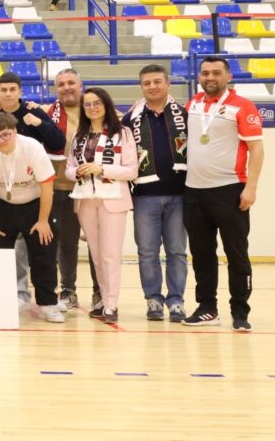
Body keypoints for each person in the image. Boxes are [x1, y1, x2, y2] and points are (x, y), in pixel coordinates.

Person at [182, 57, 264, 331]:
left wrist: (251, 187)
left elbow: (256, 149)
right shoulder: (193, 103)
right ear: (199, 77)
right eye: (205, 73)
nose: (210, 77)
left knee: (236, 254)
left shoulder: (243, 106)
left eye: (216, 73)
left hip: (229, 191)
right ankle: (207, 309)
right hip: (194, 192)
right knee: (202, 255)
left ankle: (240, 312)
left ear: (228, 76)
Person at [0, 112, 63, 323]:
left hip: (35, 204)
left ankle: (47, 303)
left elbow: (47, 187)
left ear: (15, 131)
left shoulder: (32, 148)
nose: (1, 140)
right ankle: (0, 301)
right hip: (2, 205)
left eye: (5, 135)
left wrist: (43, 221)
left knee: (43, 254)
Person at [122, 65, 189, 322]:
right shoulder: (131, 119)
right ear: (141, 87)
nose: (152, 86)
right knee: (147, 252)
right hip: (144, 196)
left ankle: (176, 301)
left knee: (177, 252)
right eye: (146, 83)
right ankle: (153, 299)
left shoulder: (184, 114)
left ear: (167, 83)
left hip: (179, 195)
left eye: (157, 81)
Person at [64, 87, 137, 324]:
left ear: (106, 105)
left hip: (113, 200)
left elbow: (131, 170)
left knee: (110, 255)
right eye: (87, 104)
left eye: (97, 103)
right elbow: (68, 169)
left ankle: (112, 304)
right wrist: (78, 172)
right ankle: (103, 301)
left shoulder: (122, 133)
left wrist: (102, 169)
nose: (92, 108)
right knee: (96, 256)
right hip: (85, 200)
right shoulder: (79, 135)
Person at [43, 68, 99, 310]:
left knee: (97, 243)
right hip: (60, 187)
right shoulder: (48, 113)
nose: (66, 87)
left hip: (93, 188)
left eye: (71, 83)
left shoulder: (96, 110)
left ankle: (100, 292)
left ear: (80, 85)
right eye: (61, 84)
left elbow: (121, 126)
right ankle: (68, 290)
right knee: (66, 243)